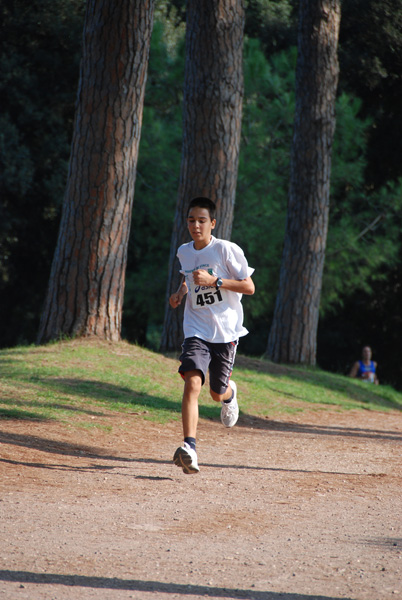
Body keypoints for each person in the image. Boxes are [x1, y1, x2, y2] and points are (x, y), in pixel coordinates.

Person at [169, 197, 255, 474]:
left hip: (225, 332)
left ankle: (230, 394)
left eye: (202, 220)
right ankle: (189, 447)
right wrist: (181, 293)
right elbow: (188, 276)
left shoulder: (226, 250)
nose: (196, 225)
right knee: (192, 382)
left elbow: (249, 287)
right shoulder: (184, 251)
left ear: (212, 223)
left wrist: (215, 281)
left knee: (217, 393)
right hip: (196, 329)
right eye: (191, 220)